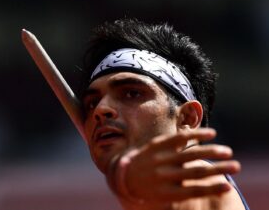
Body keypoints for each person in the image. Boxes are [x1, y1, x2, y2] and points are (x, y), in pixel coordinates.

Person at [79, 18, 250, 210]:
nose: (101, 110)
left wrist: (135, 188)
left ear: (187, 118)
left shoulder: (199, 176)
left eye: (132, 93)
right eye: (92, 103)